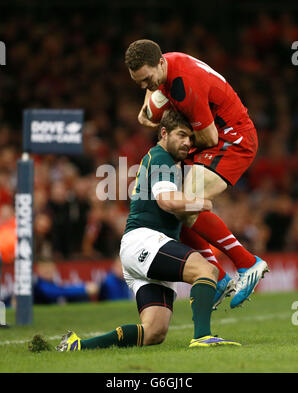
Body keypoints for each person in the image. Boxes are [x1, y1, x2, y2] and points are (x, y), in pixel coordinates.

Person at [56, 110, 241, 352]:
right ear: (163, 133)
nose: (188, 142)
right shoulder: (161, 157)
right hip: (145, 240)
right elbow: (167, 202)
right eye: (182, 135)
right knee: (206, 270)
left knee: (153, 332)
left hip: (145, 248)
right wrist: (204, 203)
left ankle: (78, 346)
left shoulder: (165, 161)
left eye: (191, 138)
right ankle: (203, 337)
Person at [124, 39, 269, 308]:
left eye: (147, 80)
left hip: (232, 139)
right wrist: (150, 108)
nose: (146, 87)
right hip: (217, 137)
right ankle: (220, 276)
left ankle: (248, 263)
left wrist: (170, 133)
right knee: (176, 207)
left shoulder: (183, 86)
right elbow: (146, 114)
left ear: (160, 63)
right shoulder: (164, 68)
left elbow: (208, 135)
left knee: (184, 203)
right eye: (140, 83)